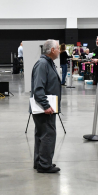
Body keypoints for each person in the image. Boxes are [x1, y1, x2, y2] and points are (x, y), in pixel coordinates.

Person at [31, 39, 61, 173]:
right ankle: (44, 165)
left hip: (46, 107)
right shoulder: (43, 64)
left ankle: (40, 162)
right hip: (45, 108)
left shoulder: (48, 63)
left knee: (41, 135)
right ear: (52, 50)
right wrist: (46, 105)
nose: (60, 51)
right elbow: (38, 88)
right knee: (48, 135)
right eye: (58, 48)